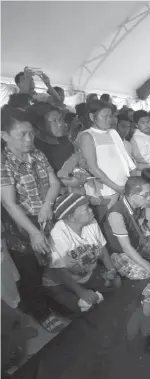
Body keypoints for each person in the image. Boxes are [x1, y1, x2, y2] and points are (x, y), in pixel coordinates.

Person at [1, 106, 66, 333]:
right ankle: (39, 311)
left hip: (43, 215)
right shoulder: (3, 161)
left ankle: (47, 301)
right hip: (21, 224)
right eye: (22, 135)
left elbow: (55, 182)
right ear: (4, 135)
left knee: (47, 265)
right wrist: (34, 232)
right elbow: (9, 203)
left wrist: (47, 204)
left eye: (31, 133)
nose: (29, 139)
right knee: (29, 270)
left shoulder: (37, 154)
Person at [43, 194, 120, 316]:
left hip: (87, 274)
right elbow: (60, 271)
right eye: (86, 209)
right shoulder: (58, 233)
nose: (91, 210)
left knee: (115, 282)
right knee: (85, 308)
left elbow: (102, 248)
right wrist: (81, 292)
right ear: (71, 217)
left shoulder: (91, 222)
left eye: (89, 207)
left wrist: (111, 269)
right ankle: (57, 307)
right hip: (61, 283)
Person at [103, 177, 150, 280]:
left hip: (138, 243)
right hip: (121, 251)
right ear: (132, 196)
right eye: (145, 195)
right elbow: (126, 247)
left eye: (149, 193)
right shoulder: (116, 214)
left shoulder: (142, 204)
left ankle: (141, 258)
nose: (148, 198)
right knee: (144, 273)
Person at [79, 100, 136, 219]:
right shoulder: (87, 136)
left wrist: (129, 182)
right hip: (106, 191)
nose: (109, 120)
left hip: (123, 186)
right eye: (104, 116)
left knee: (125, 220)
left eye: (110, 116)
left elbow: (124, 158)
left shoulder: (113, 133)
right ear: (92, 117)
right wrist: (116, 187)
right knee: (110, 220)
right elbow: (93, 168)